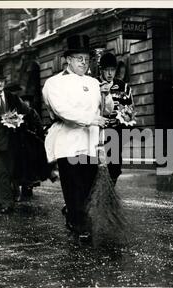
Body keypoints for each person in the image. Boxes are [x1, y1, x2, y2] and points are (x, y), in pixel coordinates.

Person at [42, 34, 114, 241]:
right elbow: (62, 110)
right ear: (68, 60)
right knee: (73, 184)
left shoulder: (93, 82)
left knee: (89, 183)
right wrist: (90, 119)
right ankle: (79, 223)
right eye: (79, 58)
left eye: (86, 59)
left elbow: (107, 111)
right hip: (69, 140)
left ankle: (75, 214)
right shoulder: (54, 83)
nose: (84, 62)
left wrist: (106, 94)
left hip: (90, 141)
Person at [0, 65, 44, 214]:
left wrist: (37, 124)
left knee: (11, 172)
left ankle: (4, 200)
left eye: (2, 81)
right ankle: (4, 203)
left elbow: (28, 111)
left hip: (12, 143)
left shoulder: (12, 98)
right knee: (1, 172)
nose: (0, 84)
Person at [98, 52, 135, 184]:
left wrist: (125, 121)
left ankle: (108, 192)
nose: (109, 74)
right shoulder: (94, 85)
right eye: (106, 70)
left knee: (115, 167)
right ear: (101, 70)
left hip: (116, 133)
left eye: (112, 70)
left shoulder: (123, 87)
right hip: (97, 134)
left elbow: (130, 112)